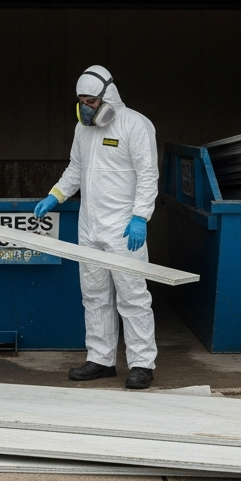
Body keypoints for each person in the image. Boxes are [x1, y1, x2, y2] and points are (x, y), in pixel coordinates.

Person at [34, 65, 160, 390]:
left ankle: (142, 364)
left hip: (123, 228)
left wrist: (140, 216)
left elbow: (148, 174)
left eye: (91, 101)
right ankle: (101, 359)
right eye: (81, 102)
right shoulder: (83, 129)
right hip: (89, 226)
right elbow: (75, 168)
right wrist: (56, 195)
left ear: (107, 97)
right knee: (94, 296)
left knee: (132, 297)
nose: (86, 108)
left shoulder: (135, 124)